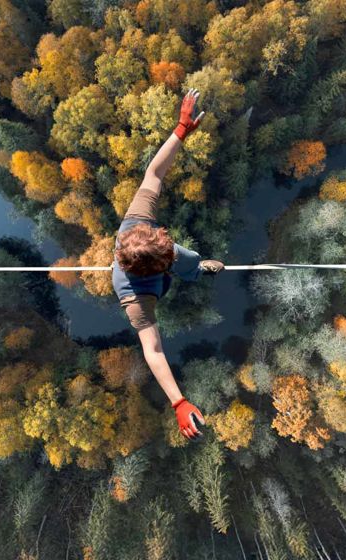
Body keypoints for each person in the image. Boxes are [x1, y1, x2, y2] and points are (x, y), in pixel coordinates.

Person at [112, 88, 225, 441]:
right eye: (167, 257)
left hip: (150, 263)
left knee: (188, 258)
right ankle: (190, 271)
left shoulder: (135, 225)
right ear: (158, 268)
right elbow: (153, 351)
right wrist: (178, 402)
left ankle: (195, 268)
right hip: (152, 287)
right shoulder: (136, 300)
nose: (168, 246)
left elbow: (155, 173)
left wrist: (180, 131)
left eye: (165, 244)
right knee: (182, 264)